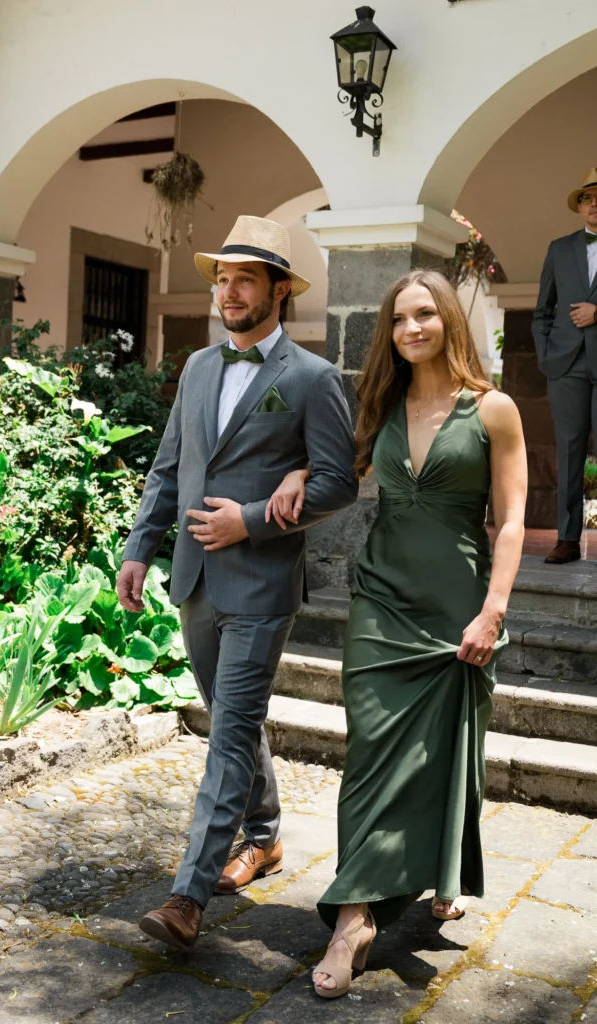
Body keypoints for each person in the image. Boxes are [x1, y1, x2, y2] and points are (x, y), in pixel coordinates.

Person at [267, 269, 527, 1000]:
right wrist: (294, 473)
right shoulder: (378, 405)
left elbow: (509, 519)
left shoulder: (494, 409)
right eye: (400, 319)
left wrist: (493, 610)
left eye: (425, 315)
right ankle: (353, 920)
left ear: (448, 320)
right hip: (381, 601)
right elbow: (334, 468)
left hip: (456, 603)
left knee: (450, 749)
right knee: (372, 753)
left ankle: (440, 870)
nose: (412, 329)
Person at [116, 215, 358, 953]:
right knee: (232, 716)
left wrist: (251, 519)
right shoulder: (194, 368)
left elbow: (339, 483)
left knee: (226, 732)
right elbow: (170, 468)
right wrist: (138, 549)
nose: (227, 291)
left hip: (260, 584)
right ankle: (265, 834)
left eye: (244, 278)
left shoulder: (312, 379)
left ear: (280, 290)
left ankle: (188, 894)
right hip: (193, 577)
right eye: (221, 277)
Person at [532, 167, 597, 564]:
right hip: (566, 364)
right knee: (570, 450)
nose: (595, 205)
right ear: (579, 206)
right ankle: (568, 539)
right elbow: (542, 310)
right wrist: (545, 353)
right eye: (588, 199)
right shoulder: (559, 249)